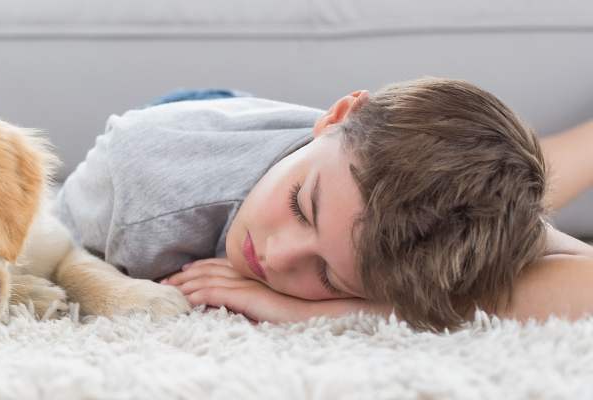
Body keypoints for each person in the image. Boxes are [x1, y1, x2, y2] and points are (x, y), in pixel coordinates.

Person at [57, 78, 593, 331]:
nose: (275, 255)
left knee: (525, 192)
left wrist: (317, 310)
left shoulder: (421, 228)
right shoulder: (141, 189)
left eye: (330, 276)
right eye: (300, 208)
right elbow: (33, 251)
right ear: (337, 115)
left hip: (322, 161)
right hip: (193, 120)